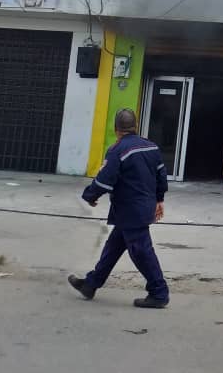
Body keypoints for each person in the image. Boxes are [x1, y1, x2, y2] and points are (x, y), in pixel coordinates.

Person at [68, 108, 169, 308]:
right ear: (136, 126)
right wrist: (159, 199)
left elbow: (105, 179)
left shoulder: (118, 150)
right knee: (113, 247)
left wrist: (90, 195)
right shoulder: (151, 147)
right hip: (140, 207)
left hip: (130, 209)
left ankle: (159, 292)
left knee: (141, 251)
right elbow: (161, 175)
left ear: (116, 129)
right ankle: (91, 284)